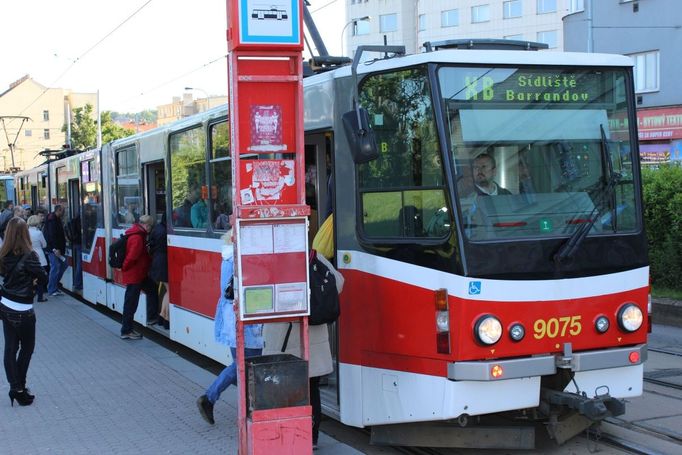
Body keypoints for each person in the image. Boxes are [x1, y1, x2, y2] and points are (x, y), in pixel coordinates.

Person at [262, 252, 344, 449]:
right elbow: (339, 282)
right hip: (313, 337)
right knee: (312, 389)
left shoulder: (273, 259)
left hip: (283, 338)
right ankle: (312, 437)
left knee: (283, 389)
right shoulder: (314, 256)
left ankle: (287, 436)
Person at [197, 229, 263, 425]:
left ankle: (249, 408)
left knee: (241, 366)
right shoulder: (240, 260)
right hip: (244, 319)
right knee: (245, 365)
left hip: (230, 318)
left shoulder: (228, 257)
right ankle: (209, 398)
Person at [0, 217, 48, 407]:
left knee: (10, 349)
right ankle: (19, 388)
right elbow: (43, 277)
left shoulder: (2, 255)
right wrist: (32, 282)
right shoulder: (30, 255)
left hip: (5, 306)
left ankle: (16, 388)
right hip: (24, 309)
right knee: (27, 349)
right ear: (24, 234)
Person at [120, 214, 159, 340]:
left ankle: (152, 317)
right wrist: (124, 267)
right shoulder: (137, 238)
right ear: (146, 225)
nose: (150, 230)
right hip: (135, 275)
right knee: (131, 303)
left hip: (139, 274)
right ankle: (126, 330)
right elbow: (132, 256)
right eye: (150, 227)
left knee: (152, 289)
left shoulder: (136, 234)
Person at [149, 213, 169, 329]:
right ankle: (165, 319)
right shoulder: (164, 231)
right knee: (170, 292)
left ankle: (162, 317)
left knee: (168, 291)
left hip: (157, 262)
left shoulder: (157, 229)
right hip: (163, 264)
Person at [44, 205, 67, 296]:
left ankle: (54, 286)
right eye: (63, 210)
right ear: (59, 210)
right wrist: (55, 249)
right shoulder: (52, 219)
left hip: (57, 248)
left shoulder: (55, 218)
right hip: (53, 249)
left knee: (63, 265)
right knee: (56, 267)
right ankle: (51, 288)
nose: (64, 212)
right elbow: (52, 235)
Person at [27, 215, 48, 302]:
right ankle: (40, 297)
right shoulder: (39, 233)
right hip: (39, 256)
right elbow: (44, 245)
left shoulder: (26, 232)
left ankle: (29, 294)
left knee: (30, 276)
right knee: (40, 277)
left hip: (28, 255)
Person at [66, 215, 83, 291]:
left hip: (75, 243)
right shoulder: (81, 220)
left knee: (79, 263)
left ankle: (77, 283)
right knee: (80, 264)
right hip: (79, 243)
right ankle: (78, 283)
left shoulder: (74, 220)